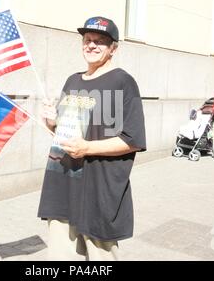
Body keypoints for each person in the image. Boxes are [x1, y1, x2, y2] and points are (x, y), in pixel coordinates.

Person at [38, 16, 146, 261]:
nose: (92, 45)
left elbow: (133, 139)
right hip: (63, 185)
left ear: (113, 48)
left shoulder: (122, 82)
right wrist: (51, 121)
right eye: (87, 40)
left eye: (100, 41)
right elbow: (64, 134)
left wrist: (87, 148)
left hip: (99, 189)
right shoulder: (73, 80)